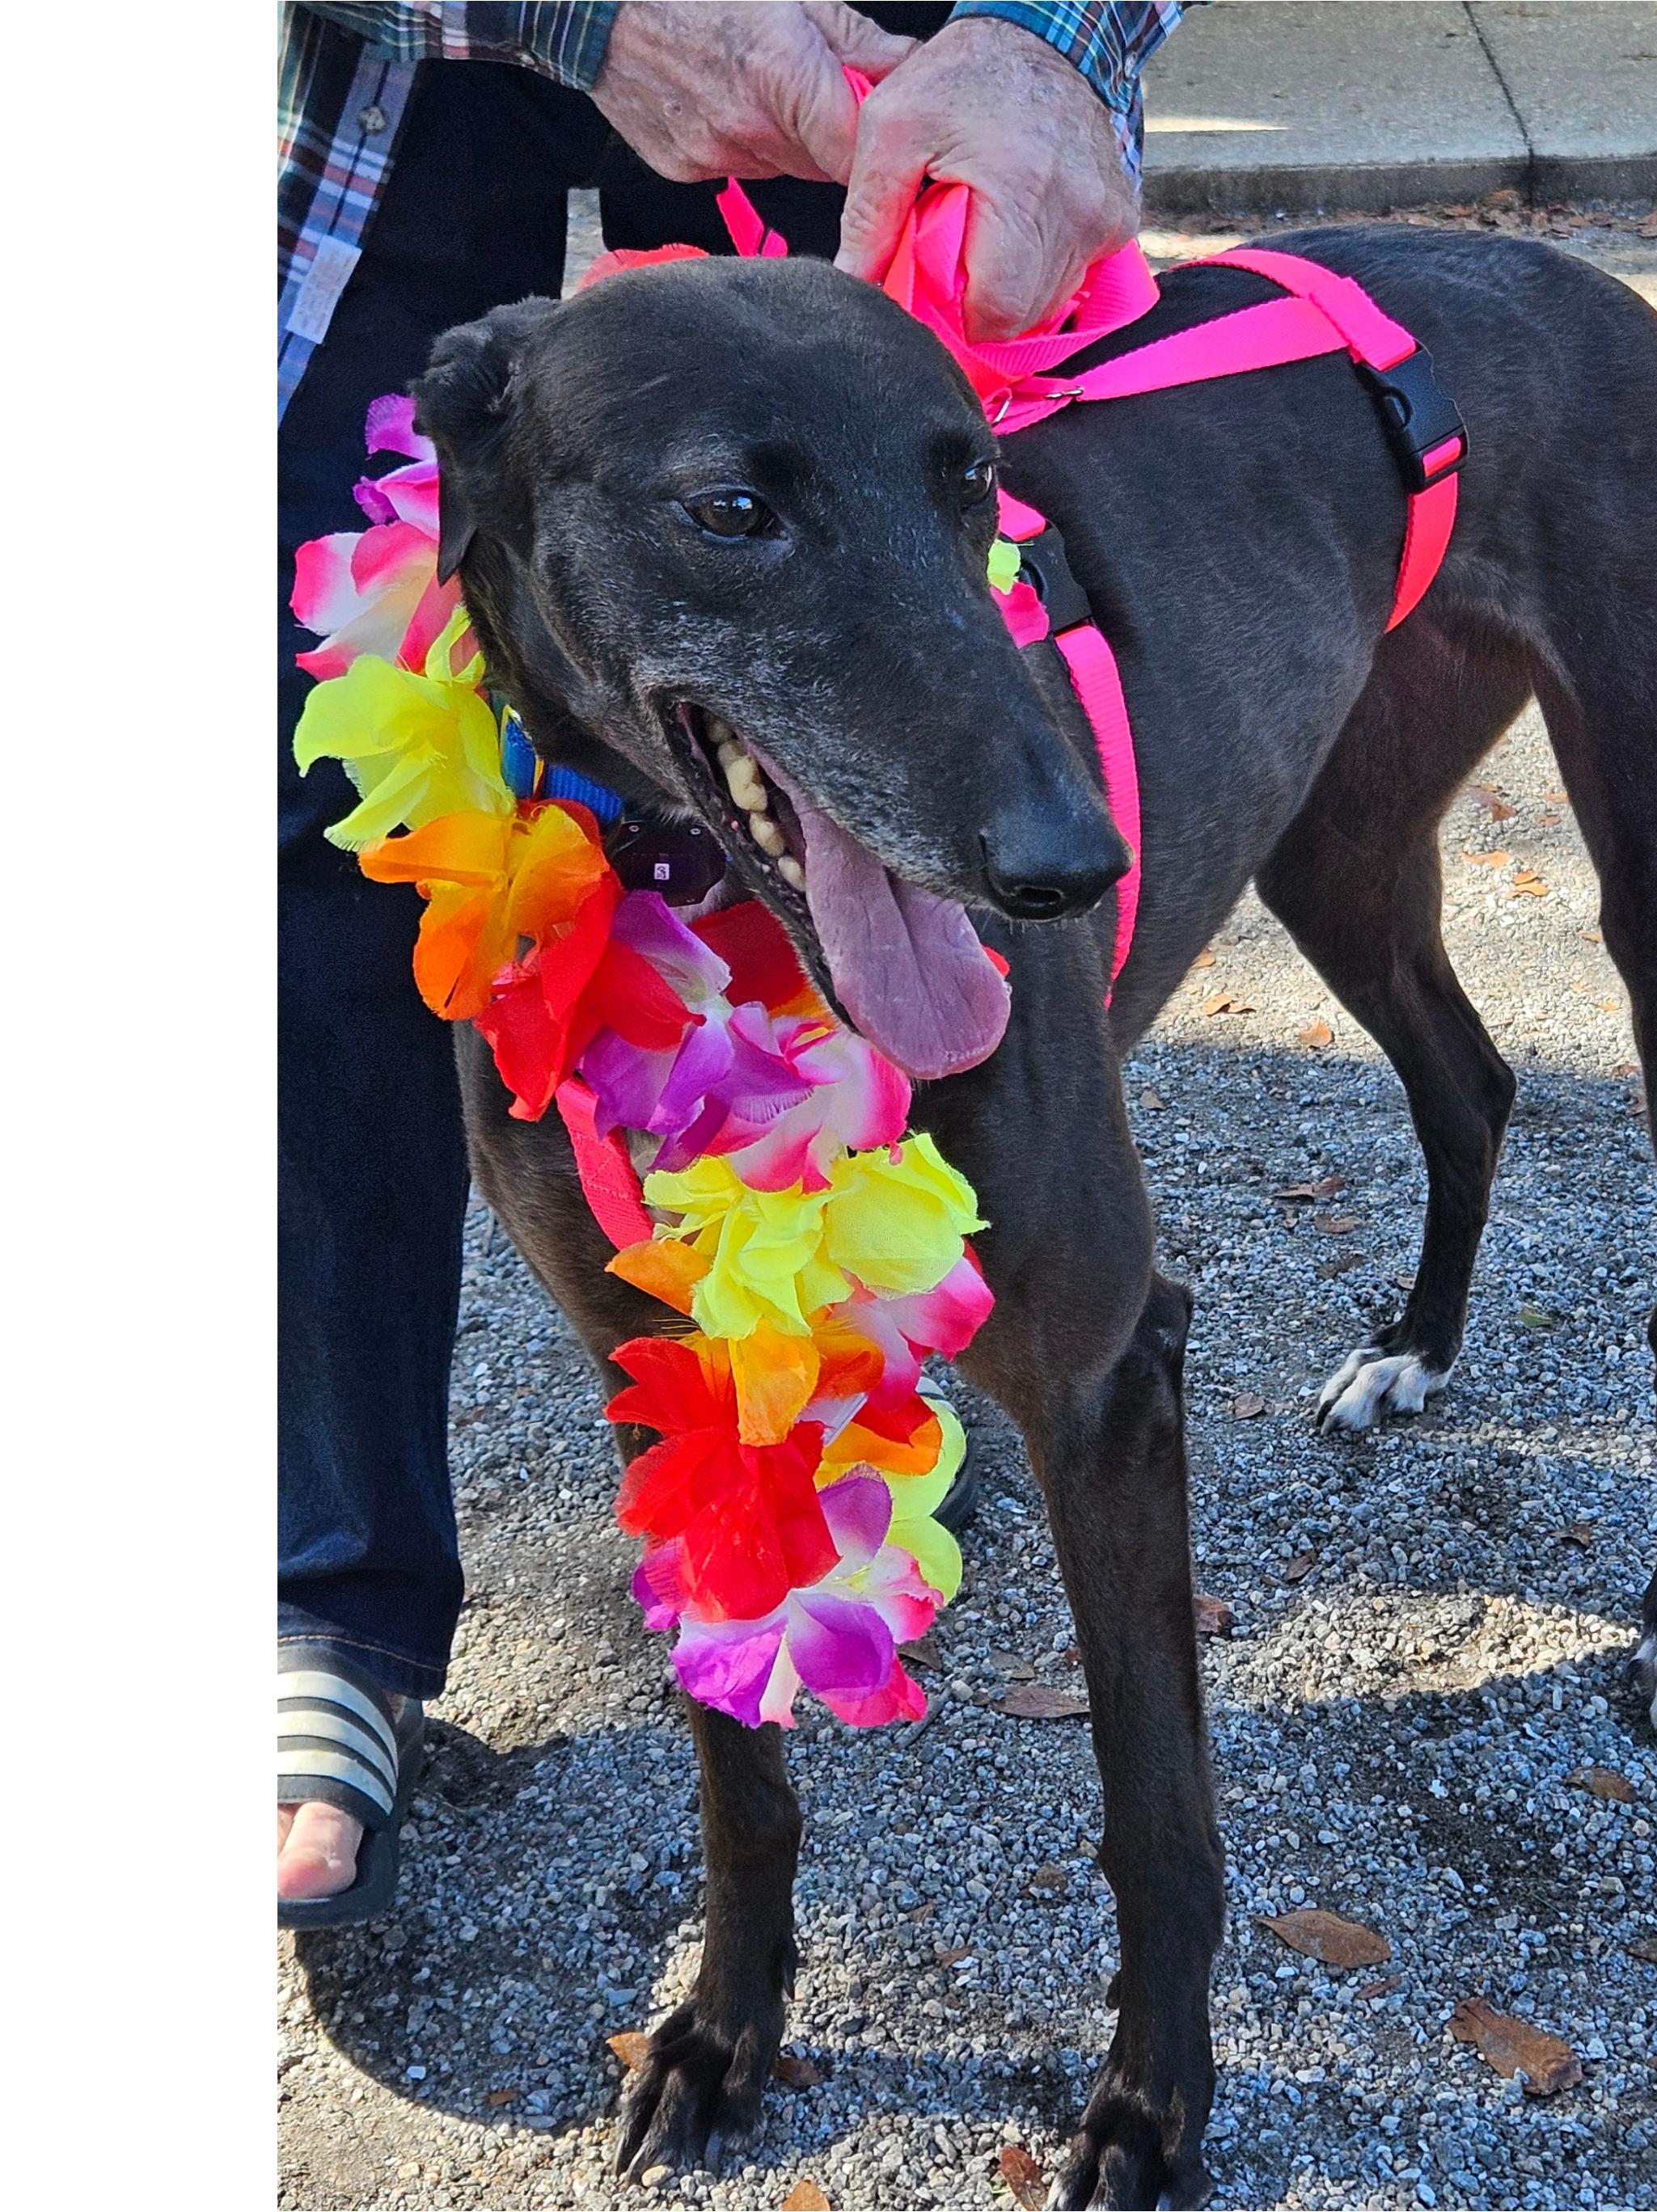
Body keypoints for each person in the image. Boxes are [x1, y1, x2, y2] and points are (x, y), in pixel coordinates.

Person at [277, 0, 1189, 1921]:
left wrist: (1058, 35)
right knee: (353, 829)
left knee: (861, 639)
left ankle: (918, 1313)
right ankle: (336, 1602)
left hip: (853, 43)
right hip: (396, 91)